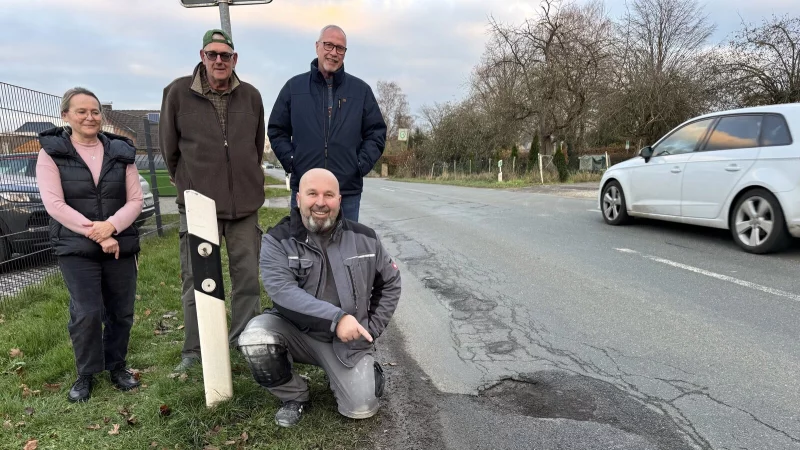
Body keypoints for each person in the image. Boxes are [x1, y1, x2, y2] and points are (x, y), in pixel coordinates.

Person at [238, 168, 401, 427]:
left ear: (340, 199)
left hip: (346, 342)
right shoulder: (277, 240)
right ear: (299, 198)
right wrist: (338, 318)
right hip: (295, 331)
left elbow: (391, 283)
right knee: (255, 340)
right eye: (312, 193)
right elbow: (282, 292)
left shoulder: (366, 238)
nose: (321, 202)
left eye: (329, 194)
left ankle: (365, 373)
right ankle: (294, 395)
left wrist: (371, 329)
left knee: (361, 407)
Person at [159, 29, 266, 372]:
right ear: (202, 57)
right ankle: (195, 350)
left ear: (235, 59)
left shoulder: (251, 96)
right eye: (212, 54)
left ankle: (244, 341)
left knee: (247, 278)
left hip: (244, 208)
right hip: (199, 206)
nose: (219, 61)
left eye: (226, 55)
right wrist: (189, 184)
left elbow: (255, 145)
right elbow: (169, 150)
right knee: (198, 280)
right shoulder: (177, 93)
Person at [36, 87, 143, 402]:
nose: (89, 117)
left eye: (95, 111)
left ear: (102, 116)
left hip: (119, 244)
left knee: (121, 311)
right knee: (87, 311)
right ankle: (86, 373)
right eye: (81, 111)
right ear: (66, 115)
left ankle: (117, 365)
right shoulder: (51, 153)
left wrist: (112, 227)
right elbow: (55, 204)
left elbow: (135, 200)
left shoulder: (122, 152)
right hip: (75, 247)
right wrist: (99, 233)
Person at [267, 24, 387, 222]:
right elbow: (277, 130)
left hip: (345, 192)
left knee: (345, 250)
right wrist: (292, 161)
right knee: (303, 249)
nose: (333, 52)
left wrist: (358, 165)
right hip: (306, 190)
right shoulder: (293, 88)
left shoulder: (361, 91)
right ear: (317, 46)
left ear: (345, 53)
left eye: (340, 48)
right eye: (328, 45)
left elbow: (376, 133)